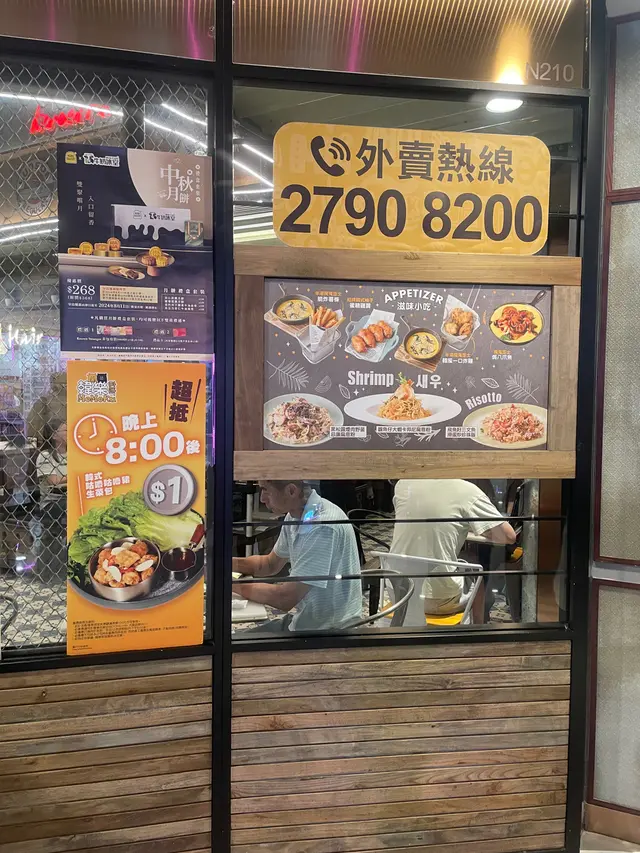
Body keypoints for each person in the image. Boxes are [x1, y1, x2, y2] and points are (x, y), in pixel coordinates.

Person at [233, 480, 362, 633]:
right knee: (237, 640)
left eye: (266, 489)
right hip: (307, 621)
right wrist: (222, 563)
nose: (262, 498)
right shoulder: (296, 515)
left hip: (328, 632)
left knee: (234, 644)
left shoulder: (321, 527)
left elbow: (285, 598)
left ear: (292, 491)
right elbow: (269, 564)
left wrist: (228, 584)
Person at [390, 479, 516, 618]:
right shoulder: (468, 491)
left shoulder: (403, 484)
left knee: (463, 557)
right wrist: (477, 527)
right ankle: (477, 628)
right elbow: (509, 536)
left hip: (396, 593)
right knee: (475, 570)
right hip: (437, 600)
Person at [35, 419, 67, 585]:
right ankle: (45, 573)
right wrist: (75, 475)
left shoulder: (76, 453)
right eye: (65, 430)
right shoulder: (45, 456)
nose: (69, 433)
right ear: (54, 435)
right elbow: (54, 481)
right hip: (52, 502)